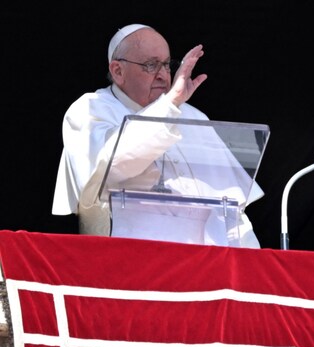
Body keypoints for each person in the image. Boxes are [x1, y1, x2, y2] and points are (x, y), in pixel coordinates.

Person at [52, 24, 264, 248]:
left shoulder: (195, 118)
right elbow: (112, 164)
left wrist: (250, 259)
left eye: (167, 65)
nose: (163, 75)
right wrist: (170, 104)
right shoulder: (91, 109)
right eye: (151, 65)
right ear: (117, 71)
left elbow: (230, 207)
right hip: (128, 257)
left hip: (203, 263)